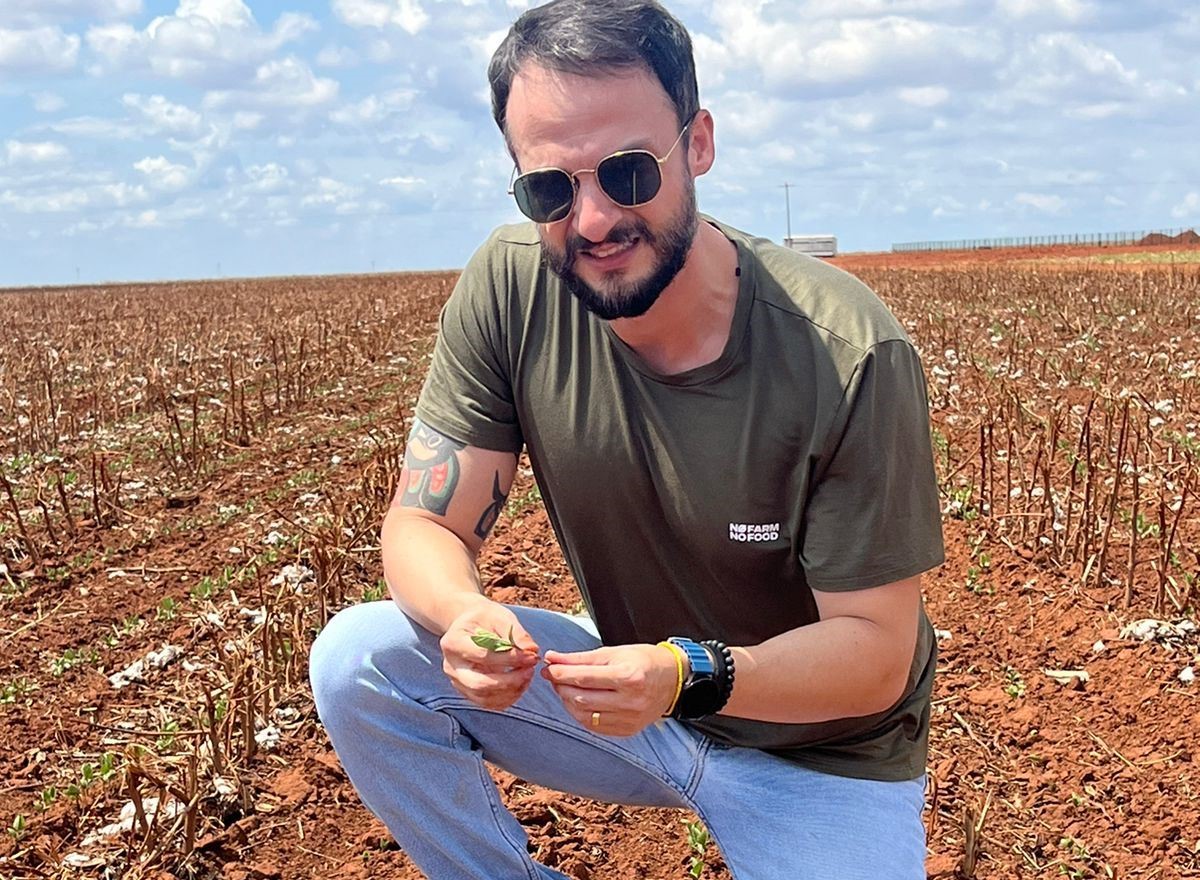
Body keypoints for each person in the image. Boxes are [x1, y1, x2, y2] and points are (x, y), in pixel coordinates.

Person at [309, 1, 944, 877]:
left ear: (699, 143)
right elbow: (426, 524)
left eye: (629, 171)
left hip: (822, 753)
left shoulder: (845, 353)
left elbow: (876, 652)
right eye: (551, 189)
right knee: (362, 661)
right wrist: (465, 617)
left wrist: (683, 672)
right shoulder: (510, 286)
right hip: (627, 698)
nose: (596, 219)